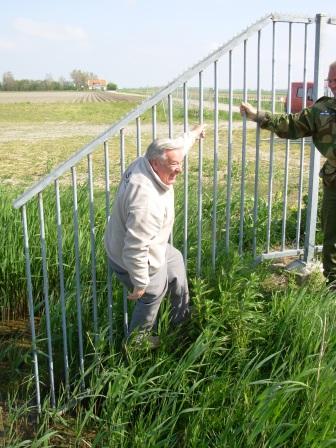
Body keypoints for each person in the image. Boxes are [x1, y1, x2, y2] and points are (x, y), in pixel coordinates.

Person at [104, 124, 206, 343]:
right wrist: (140, 283)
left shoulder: (149, 161)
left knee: (175, 259)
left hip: (147, 245)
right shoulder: (146, 201)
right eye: (174, 165)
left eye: (180, 163)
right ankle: (136, 343)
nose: (179, 169)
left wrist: (193, 135)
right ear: (155, 164)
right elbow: (135, 248)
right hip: (131, 256)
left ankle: (180, 322)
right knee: (153, 293)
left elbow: (177, 149)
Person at [240, 61, 336, 289]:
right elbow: (292, 124)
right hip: (335, 182)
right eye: (329, 80)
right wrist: (258, 116)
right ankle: (334, 292)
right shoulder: (322, 110)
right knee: (332, 241)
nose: (332, 85)